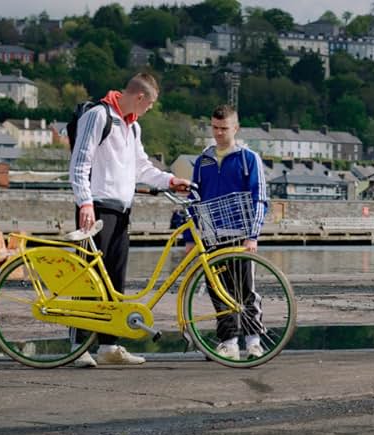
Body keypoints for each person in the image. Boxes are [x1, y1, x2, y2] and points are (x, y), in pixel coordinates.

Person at [68, 72, 191, 367]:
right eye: (148, 105)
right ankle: (78, 346)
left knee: (114, 281)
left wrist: (170, 180)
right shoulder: (98, 116)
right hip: (96, 208)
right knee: (89, 281)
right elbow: (79, 162)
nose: (147, 111)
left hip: (122, 211)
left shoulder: (132, 128)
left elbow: (141, 168)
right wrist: (84, 203)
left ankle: (108, 346)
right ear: (139, 98)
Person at [183, 104, 269, 361]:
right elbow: (193, 199)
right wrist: (189, 238)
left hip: (239, 234)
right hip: (211, 236)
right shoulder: (203, 161)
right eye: (215, 128)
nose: (219, 133)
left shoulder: (248, 158)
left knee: (245, 291)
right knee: (218, 291)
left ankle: (254, 343)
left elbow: (260, 199)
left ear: (236, 128)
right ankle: (229, 344)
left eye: (224, 128)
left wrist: (252, 236)